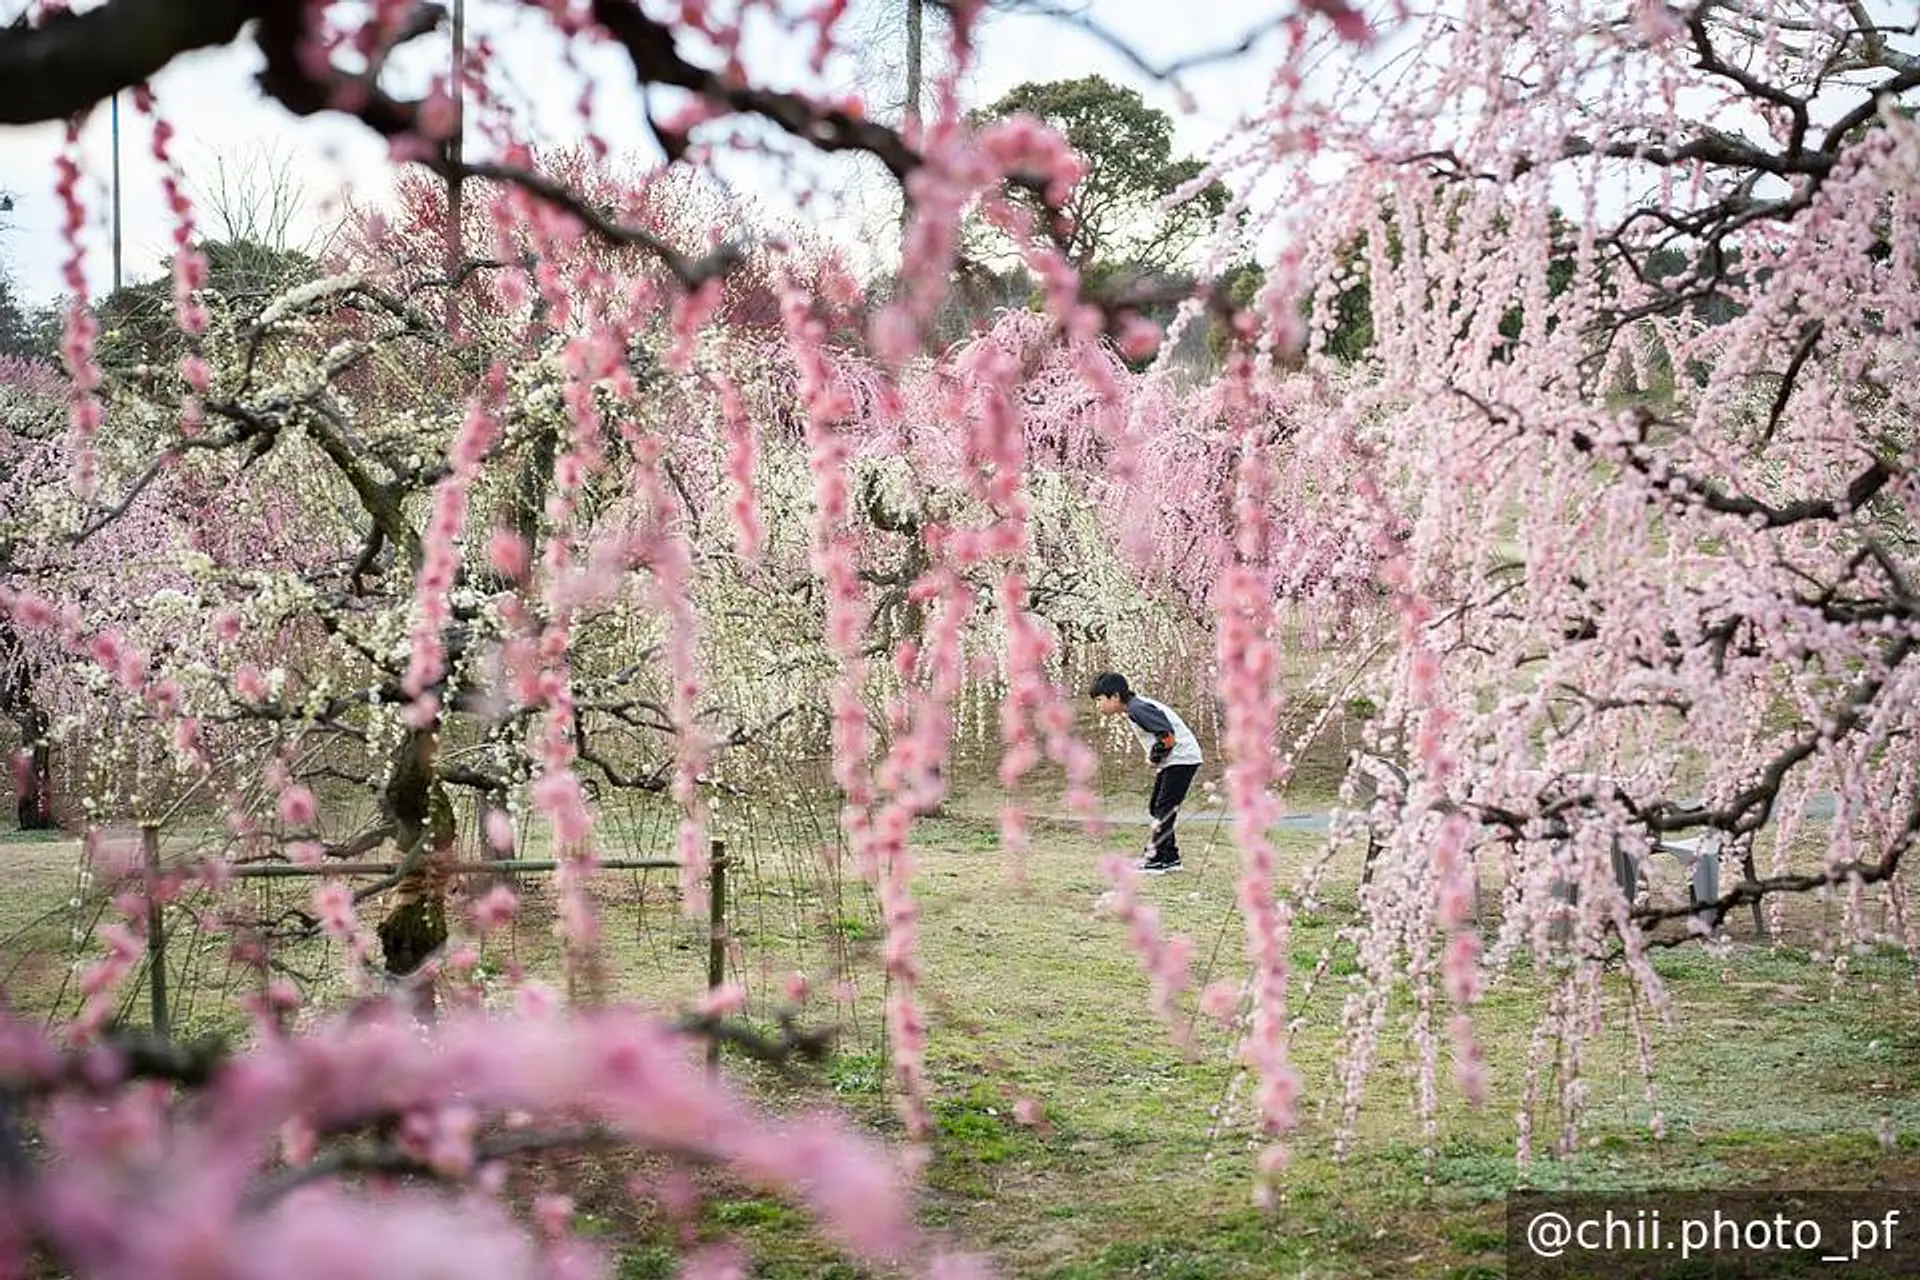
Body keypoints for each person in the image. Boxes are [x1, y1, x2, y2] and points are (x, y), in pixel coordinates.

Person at [1088, 672, 1203, 874]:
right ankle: (1170, 857)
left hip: (1182, 759)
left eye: (1099, 700)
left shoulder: (1137, 709)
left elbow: (1167, 737)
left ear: (1115, 696)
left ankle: (1155, 859)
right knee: (1157, 807)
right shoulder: (1135, 707)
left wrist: (1154, 757)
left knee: (1163, 809)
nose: (1098, 706)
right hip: (1176, 760)